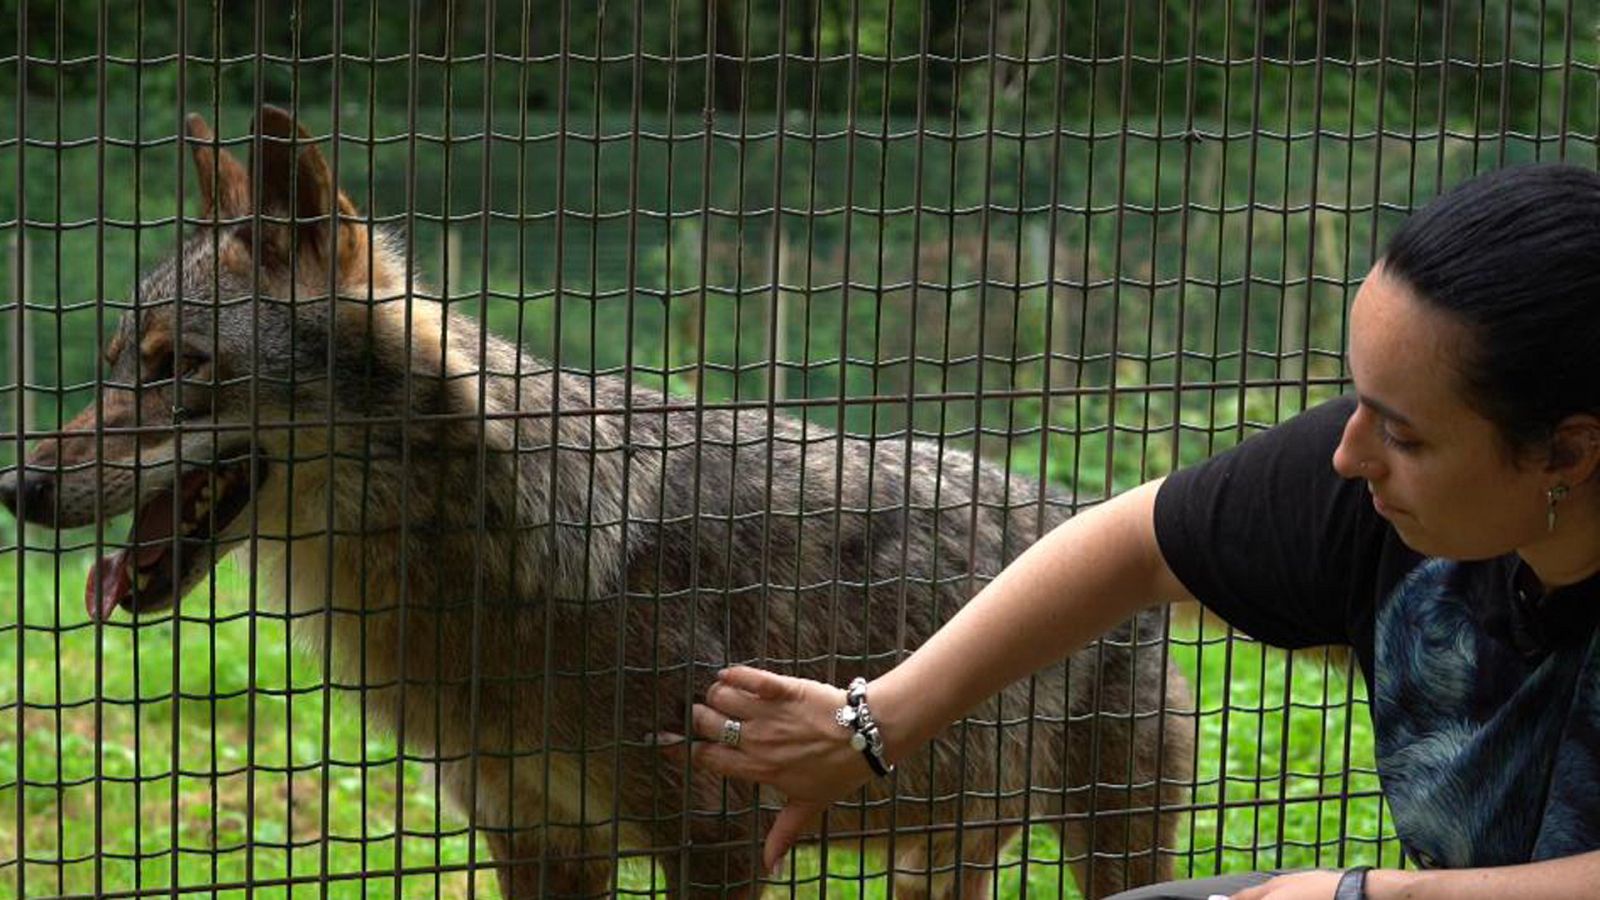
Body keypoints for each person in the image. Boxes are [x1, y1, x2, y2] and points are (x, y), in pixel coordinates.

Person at [655, 162, 1600, 899]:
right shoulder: (1366, 484)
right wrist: (874, 724)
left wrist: (1368, 893)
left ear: (1567, 452)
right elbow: (1130, 541)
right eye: (1358, 401)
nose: (1348, 457)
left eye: (1402, 431)